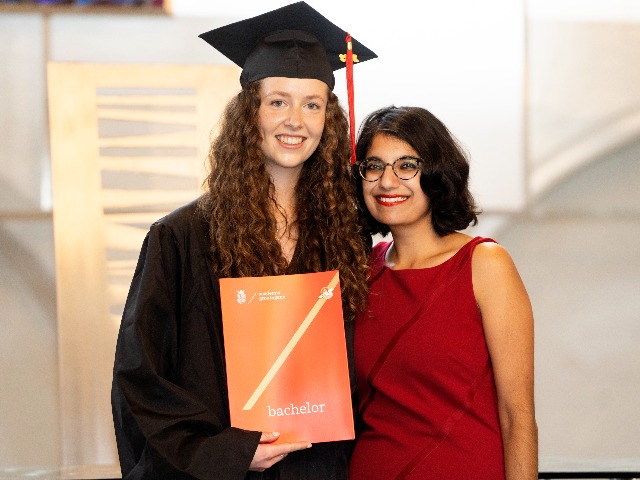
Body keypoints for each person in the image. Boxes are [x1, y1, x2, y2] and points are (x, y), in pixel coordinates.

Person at [111, 2, 377, 479]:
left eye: (312, 104)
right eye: (278, 101)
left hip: (319, 466)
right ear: (248, 112)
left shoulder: (346, 234)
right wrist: (225, 452)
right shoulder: (181, 237)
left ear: (329, 121)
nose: (295, 119)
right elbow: (141, 373)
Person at [348, 105, 538, 480]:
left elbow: (517, 416)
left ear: (437, 175)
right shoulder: (359, 271)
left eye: (406, 166)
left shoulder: (484, 263)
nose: (388, 181)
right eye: (374, 166)